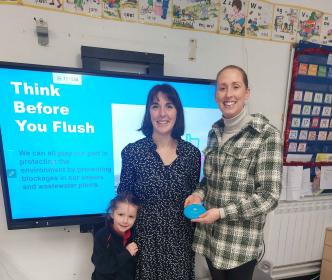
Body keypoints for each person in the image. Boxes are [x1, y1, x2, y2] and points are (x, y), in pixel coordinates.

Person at [185, 65, 282, 280]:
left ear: (247, 93)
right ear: (216, 94)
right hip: (211, 240)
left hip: (240, 246)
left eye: (235, 87)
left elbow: (269, 197)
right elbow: (208, 181)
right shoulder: (214, 132)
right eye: (222, 88)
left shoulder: (266, 136)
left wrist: (220, 213)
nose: (228, 94)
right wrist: (197, 195)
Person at [117, 83, 201, 280]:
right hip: (143, 246)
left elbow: (194, 195)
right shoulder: (133, 152)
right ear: (149, 112)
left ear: (177, 112)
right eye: (155, 106)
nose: (162, 113)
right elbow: (124, 198)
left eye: (169, 106)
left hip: (180, 244)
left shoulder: (192, 154)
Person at [91, 192, 140, 280]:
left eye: (131, 216)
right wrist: (127, 253)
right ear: (112, 214)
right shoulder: (102, 236)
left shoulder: (136, 235)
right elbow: (102, 266)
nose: (125, 221)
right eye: (121, 215)